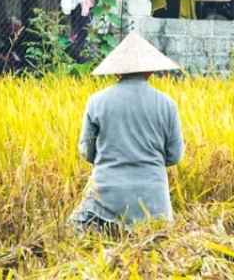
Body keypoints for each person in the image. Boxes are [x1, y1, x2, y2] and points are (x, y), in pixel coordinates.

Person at [70, 31, 184, 232]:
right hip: (154, 207)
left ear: (116, 72)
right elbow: (174, 156)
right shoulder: (168, 105)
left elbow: (86, 152)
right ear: (150, 71)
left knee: (72, 233)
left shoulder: (97, 102)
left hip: (105, 201)